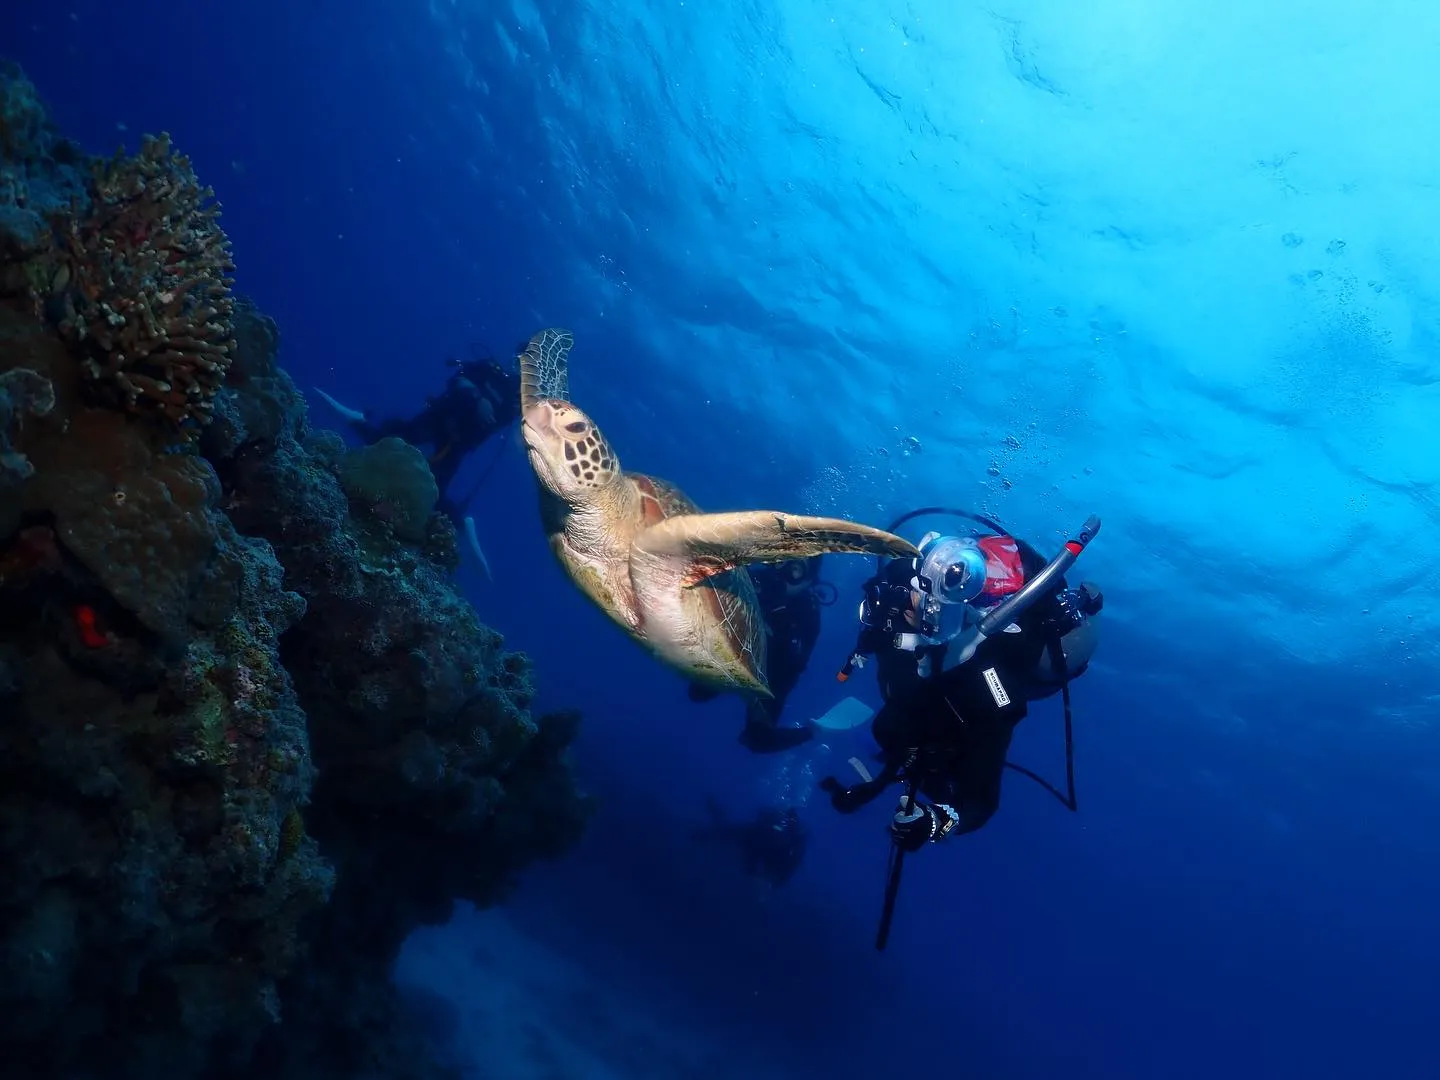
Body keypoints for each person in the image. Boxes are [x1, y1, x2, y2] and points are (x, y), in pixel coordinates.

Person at [819, 513, 1103, 853]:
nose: (915, 604)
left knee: (923, 754)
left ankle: (909, 764)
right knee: (891, 727)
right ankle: (894, 759)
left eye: (929, 603)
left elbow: (981, 803)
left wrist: (937, 822)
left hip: (953, 718)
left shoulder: (992, 687)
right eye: (916, 589)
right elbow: (887, 601)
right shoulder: (908, 589)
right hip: (921, 691)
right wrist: (880, 618)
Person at [315, 353, 519, 524]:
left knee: (434, 496)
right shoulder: (490, 370)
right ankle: (358, 421)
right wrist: (478, 398)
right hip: (438, 419)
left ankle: (463, 524)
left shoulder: (515, 406)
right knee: (385, 442)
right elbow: (458, 378)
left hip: (457, 444)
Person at [687, 556, 836, 754]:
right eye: (781, 562)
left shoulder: (808, 611)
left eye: (795, 570)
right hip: (735, 655)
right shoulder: (755, 580)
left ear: (809, 581)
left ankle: (813, 732)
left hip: (774, 676)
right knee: (697, 693)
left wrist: (779, 618)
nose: (782, 574)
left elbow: (793, 662)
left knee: (759, 739)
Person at [692, 800, 809, 889]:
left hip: (755, 840)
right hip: (753, 838)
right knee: (723, 833)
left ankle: (707, 827)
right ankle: (704, 829)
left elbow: (784, 874)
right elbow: (755, 849)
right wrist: (754, 873)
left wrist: (767, 881)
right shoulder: (783, 842)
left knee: (725, 833)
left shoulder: (792, 850)